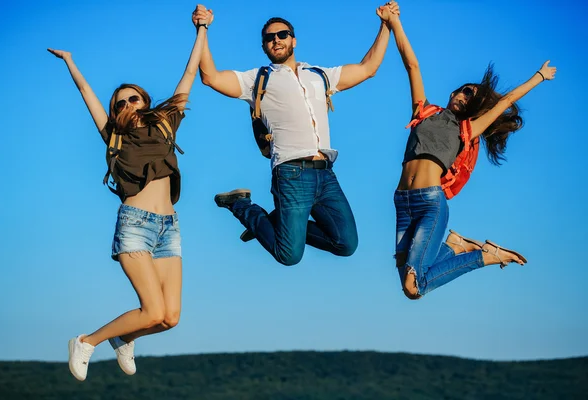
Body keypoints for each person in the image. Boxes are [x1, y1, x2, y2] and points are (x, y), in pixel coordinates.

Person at [47, 12, 210, 381]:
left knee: (170, 318)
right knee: (152, 310)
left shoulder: (166, 122)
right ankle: (87, 341)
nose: (126, 105)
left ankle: (124, 336)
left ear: (145, 101)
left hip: (169, 227)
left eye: (133, 99)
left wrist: (202, 30)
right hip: (135, 225)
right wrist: (72, 62)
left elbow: (188, 74)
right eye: (119, 103)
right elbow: (87, 94)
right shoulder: (113, 137)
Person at [193, 3, 399, 266]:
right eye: (269, 38)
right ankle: (241, 205)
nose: (276, 40)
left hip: (326, 174)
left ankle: (275, 222)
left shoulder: (320, 75)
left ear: (293, 40)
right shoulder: (257, 79)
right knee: (289, 255)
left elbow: (368, 68)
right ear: (264, 46)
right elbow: (210, 77)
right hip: (291, 174)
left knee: (346, 244)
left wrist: (386, 25)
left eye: (282, 35)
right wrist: (202, 29)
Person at [377, 4, 556, 299]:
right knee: (408, 284)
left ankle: (483, 256)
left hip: (430, 202)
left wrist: (539, 76)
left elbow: (504, 101)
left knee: (414, 286)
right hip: (402, 202)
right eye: (465, 90)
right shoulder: (423, 112)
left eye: (472, 96)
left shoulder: (467, 129)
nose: (465, 96)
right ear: (453, 93)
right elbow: (412, 65)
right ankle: (456, 246)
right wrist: (394, 22)